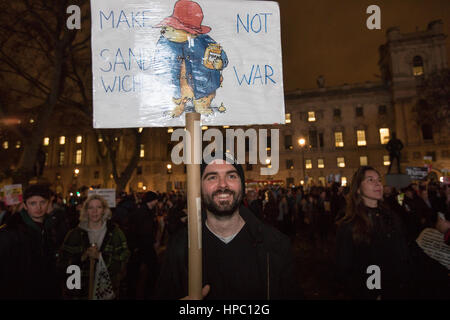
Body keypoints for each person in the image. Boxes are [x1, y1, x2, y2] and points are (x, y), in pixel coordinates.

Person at [155, 153, 301, 300]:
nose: (223, 184)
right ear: (199, 187)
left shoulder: (275, 244)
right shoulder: (180, 247)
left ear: (242, 185)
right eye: (212, 177)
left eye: (231, 176)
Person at [335, 166, 449, 299]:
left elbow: (410, 249)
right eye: (370, 180)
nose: (378, 184)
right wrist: (373, 293)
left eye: (379, 180)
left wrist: (440, 270)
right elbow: (346, 269)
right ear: (358, 189)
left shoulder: (391, 216)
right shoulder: (349, 225)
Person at [59, 195, 130, 300]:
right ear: (86, 211)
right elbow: (63, 263)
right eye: (91, 208)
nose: (94, 211)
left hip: (106, 291)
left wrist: (100, 257)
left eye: (99, 207)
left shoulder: (115, 233)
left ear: (104, 210)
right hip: (80, 291)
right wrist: (82, 257)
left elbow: (123, 261)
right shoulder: (74, 234)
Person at [0, 184, 60, 299]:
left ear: (48, 203)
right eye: (33, 203)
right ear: (25, 205)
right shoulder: (11, 231)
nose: (38, 207)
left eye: (42, 202)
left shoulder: (51, 227)